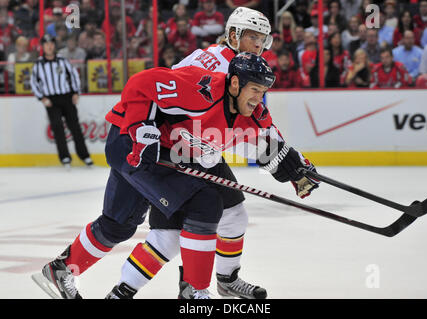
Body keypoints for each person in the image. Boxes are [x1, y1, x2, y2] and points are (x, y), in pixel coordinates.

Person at [109, 6, 278, 300]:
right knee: (176, 231)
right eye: (253, 37)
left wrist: (286, 158)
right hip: (175, 149)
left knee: (234, 215)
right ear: (234, 35)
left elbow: (250, 123)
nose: (259, 45)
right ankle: (174, 289)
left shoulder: (233, 62)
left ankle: (225, 280)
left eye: (263, 39)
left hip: (197, 148)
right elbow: (161, 96)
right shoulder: (222, 67)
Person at [30, 34, 93, 169]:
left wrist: (76, 92)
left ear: (54, 45)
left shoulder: (63, 61)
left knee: (75, 127)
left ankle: (85, 156)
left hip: (66, 97)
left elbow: (74, 76)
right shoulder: (39, 64)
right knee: (58, 128)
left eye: (51, 43)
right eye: (46, 44)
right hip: (51, 101)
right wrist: (42, 98)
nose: (49, 46)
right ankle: (65, 157)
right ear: (43, 47)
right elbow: (34, 83)